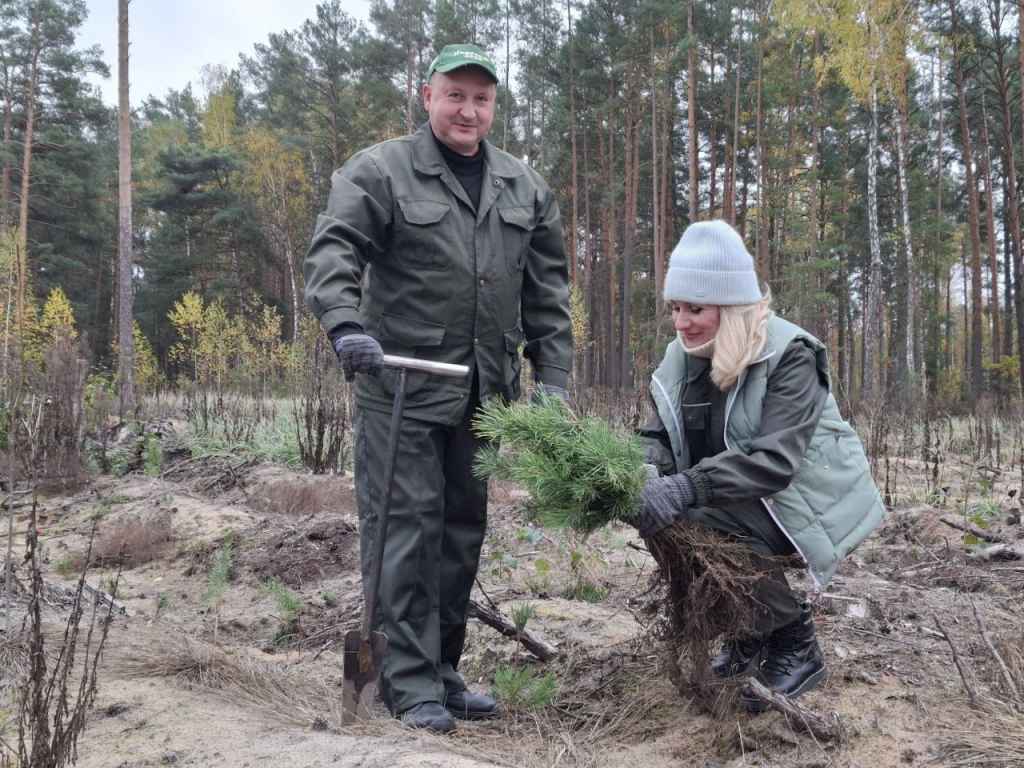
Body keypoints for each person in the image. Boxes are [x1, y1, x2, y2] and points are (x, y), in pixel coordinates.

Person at [303, 43, 572, 733]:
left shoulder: (523, 186)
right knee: (405, 534)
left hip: (484, 394)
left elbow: (547, 296)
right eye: (455, 95)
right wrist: (345, 323)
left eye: (481, 98)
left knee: (460, 535)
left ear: (493, 107)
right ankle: (404, 681)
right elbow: (334, 250)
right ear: (427, 96)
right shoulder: (381, 171)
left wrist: (555, 383)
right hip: (402, 388)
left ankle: (442, 669)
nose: (468, 110)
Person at [634, 219, 884, 705]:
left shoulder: (790, 355)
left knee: (696, 517)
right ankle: (747, 634)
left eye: (696, 308)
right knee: (663, 517)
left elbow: (773, 462)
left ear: (730, 306)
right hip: (740, 498)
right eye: (675, 308)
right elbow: (656, 436)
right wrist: (643, 471)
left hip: (804, 500)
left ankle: (795, 643)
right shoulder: (682, 358)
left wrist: (683, 488)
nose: (682, 322)